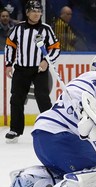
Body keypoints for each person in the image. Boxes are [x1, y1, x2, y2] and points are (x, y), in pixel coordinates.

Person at [7, 50, 96, 187]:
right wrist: (84, 108)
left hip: (43, 138)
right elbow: (77, 90)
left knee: (61, 170)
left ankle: (29, 183)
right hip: (63, 140)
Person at [4, 0, 60, 144]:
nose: (37, 14)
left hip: (39, 70)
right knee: (16, 98)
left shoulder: (46, 29)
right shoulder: (18, 28)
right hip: (21, 69)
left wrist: (46, 61)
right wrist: (9, 64)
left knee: (43, 98)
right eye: (33, 11)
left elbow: (55, 47)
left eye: (39, 11)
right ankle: (15, 129)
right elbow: (10, 45)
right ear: (27, 13)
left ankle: (50, 127)